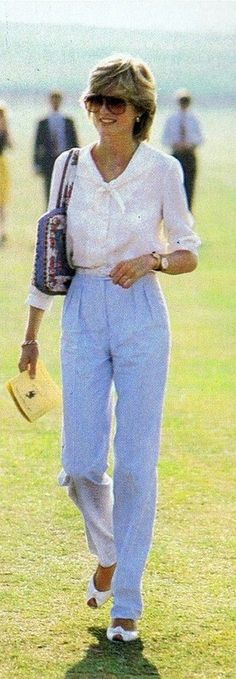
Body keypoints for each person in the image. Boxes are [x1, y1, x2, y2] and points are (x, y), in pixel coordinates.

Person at [19, 55, 201, 643]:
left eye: (114, 103)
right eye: (95, 100)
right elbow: (49, 251)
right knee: (79, 463)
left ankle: (126, 601)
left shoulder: (163, 170)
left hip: (142, 313)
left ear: (139, 111)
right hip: (84, 313)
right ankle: (109, 551)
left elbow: (188, 250)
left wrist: (151, 258)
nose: (100, 111)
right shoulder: (69, 165)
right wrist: (30, 334)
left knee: (138, 463)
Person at [161, 88, 205, 209]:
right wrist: (177, 144)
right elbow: (165, 138)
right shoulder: (172, 118)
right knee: (175, 188)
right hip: (177, 154)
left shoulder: (194, 118)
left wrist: (189, 144)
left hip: (189, 155)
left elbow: (200, 138)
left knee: (189, 188)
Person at [34, 90, 79, 204]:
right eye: (53, 100)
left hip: (65, 160)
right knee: (49, 191)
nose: (55, 102)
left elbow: (74, 142)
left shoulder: (68, 121)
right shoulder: (43, 122)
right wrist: (36, 163)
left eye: (57, 100)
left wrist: (78, 161)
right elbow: (37, 144)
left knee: (66, 190)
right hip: (48, 161)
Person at [0, 102, 13, 244]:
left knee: (2, 202)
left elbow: (10, 144)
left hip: (1, 166)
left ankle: (2, 231)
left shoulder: (4, 131)